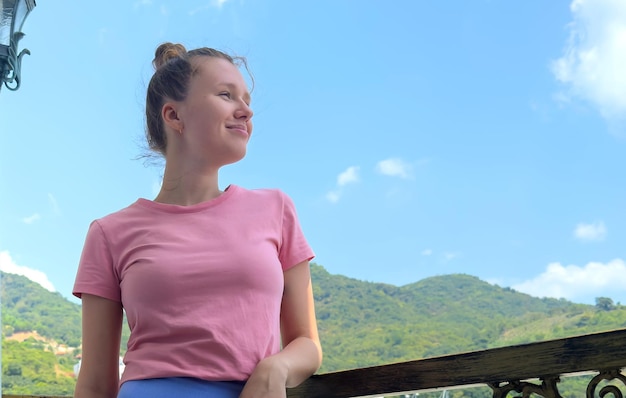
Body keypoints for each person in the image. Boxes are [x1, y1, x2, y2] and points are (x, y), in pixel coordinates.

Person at [72, 42, 323, 398]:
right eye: (226, 95)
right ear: (174, 116)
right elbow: (96, 385)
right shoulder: (109, 233)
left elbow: (307, 345)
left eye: (247, 101)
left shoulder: (276, 209)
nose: (246, 112)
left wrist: (276, 368)